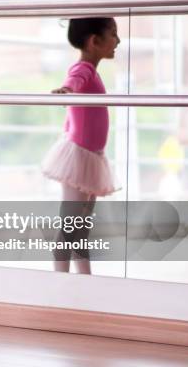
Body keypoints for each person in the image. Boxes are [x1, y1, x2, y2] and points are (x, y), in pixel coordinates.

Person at [41, 17, 120, 274]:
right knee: (71, 224)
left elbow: (74, 115)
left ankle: (84, 277)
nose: (117, 41)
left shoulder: (92, 72)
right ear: (94, 41)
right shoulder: (84, 69)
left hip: (90, 158)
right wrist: (66, 90)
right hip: (79, 159)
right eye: (113, 34)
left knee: (80, 225)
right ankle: (61, 279)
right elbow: (73, 81)